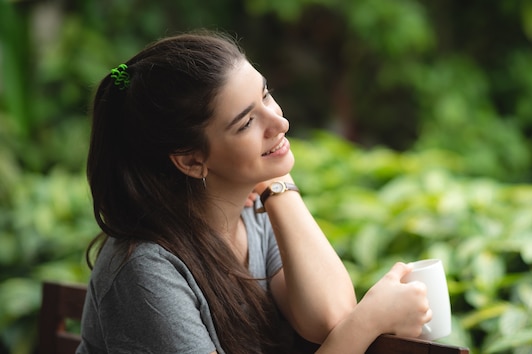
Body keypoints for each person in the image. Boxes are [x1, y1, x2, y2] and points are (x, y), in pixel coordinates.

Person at [78, 30, 432, 354]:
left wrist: (277, 185)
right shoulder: (146, 270)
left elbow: (329, 318)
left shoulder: (250, 216)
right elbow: (347, 325)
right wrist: (370, 319)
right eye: (247, 122)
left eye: (266, 95)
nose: (280, 122)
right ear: (190, 160)